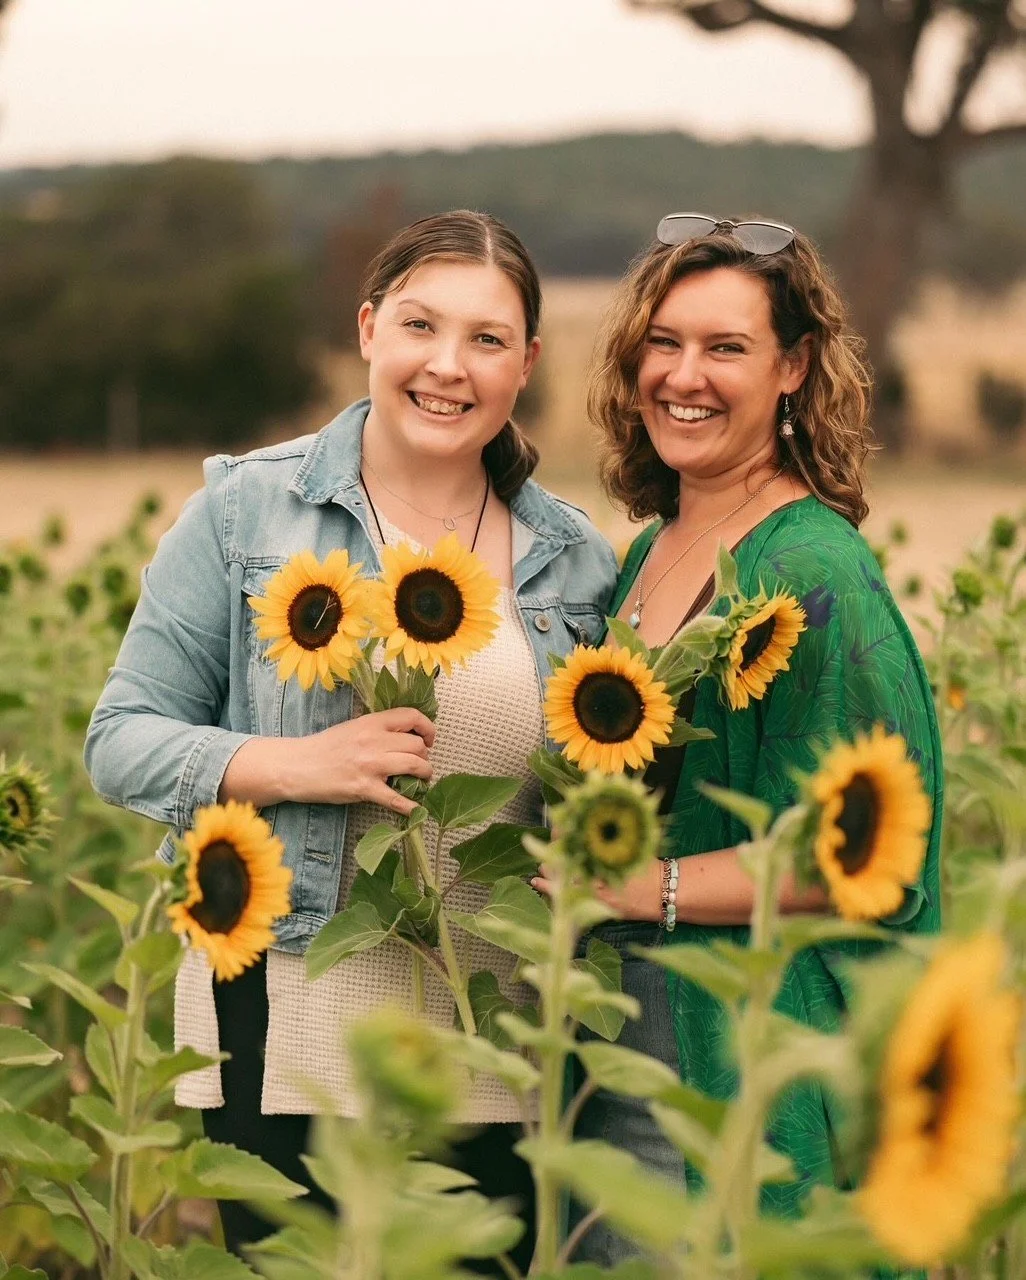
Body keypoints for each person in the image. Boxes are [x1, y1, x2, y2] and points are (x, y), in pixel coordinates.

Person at [85, 209, 619, 1273]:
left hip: (495, 1042)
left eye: (486, 338)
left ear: (528, 364)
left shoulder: (577, 561)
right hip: (292, 1029)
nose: (447, 365)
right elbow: (119, 739)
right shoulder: (246, 512)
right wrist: (294, 765)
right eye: (421, 325)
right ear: (369, 327)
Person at [547, 213, 942, 1266]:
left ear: (794, 367)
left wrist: (646, 888)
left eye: (726, 348)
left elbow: (876, 858)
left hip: (736, 1052)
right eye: (664, 343)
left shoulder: (817, 572)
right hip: (617, 1033)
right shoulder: (648, 553)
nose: (686, 375)